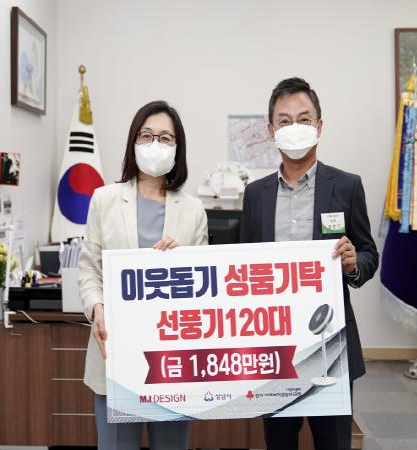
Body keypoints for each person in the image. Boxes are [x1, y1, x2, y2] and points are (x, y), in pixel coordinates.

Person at [240, 77, 378, 450]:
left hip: (331, 344)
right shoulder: (256, 194)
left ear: (319, 125)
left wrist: (353, 263)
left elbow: (369, 253)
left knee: (332, 442)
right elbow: (240, 264)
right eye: (284, 121)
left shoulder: (346, 186)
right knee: (279, 442)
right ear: (271, 131)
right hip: (275, 347)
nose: (295, 127)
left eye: (304, 119)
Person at [78, 100, 208, 450]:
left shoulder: (194, 210)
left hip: (172, 360)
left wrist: (182, 262)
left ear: (177, 148)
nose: (155, 144)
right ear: (133, 142)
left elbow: (205, 286)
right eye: (146, 136)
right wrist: (97, 307)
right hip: (116, 354)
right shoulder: (103, 200)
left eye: (165, 138)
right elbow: (89, 268)